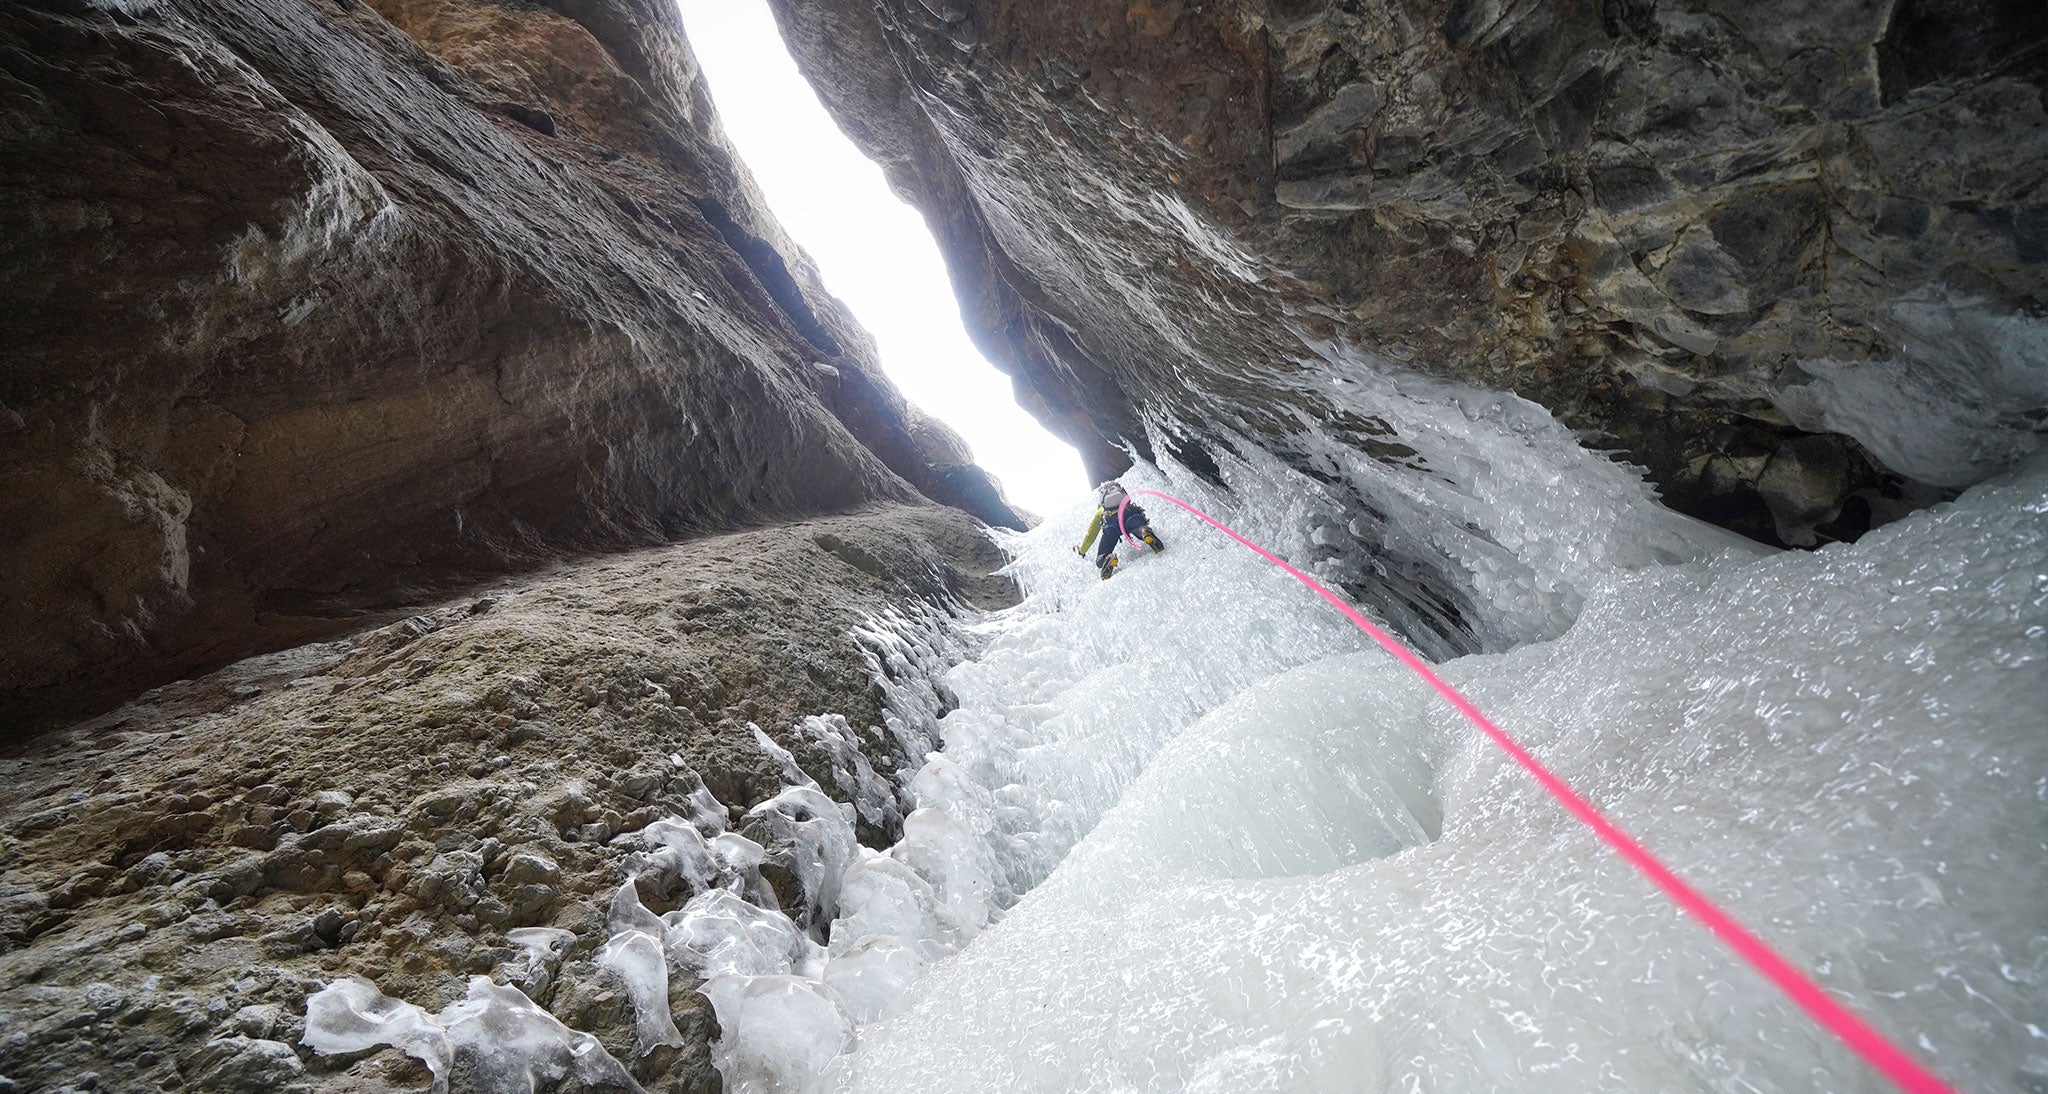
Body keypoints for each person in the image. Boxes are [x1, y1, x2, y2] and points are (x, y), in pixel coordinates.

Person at [1074, 480, 1165, 579]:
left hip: (1112, 524)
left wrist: (1082, 551)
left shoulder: (1101, 511)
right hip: (1131, 513)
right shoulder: (1122, 498)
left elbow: (1090, 535)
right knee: (1137, 527)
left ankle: (1107, 558)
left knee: (1101, 557)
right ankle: (1144, 532)